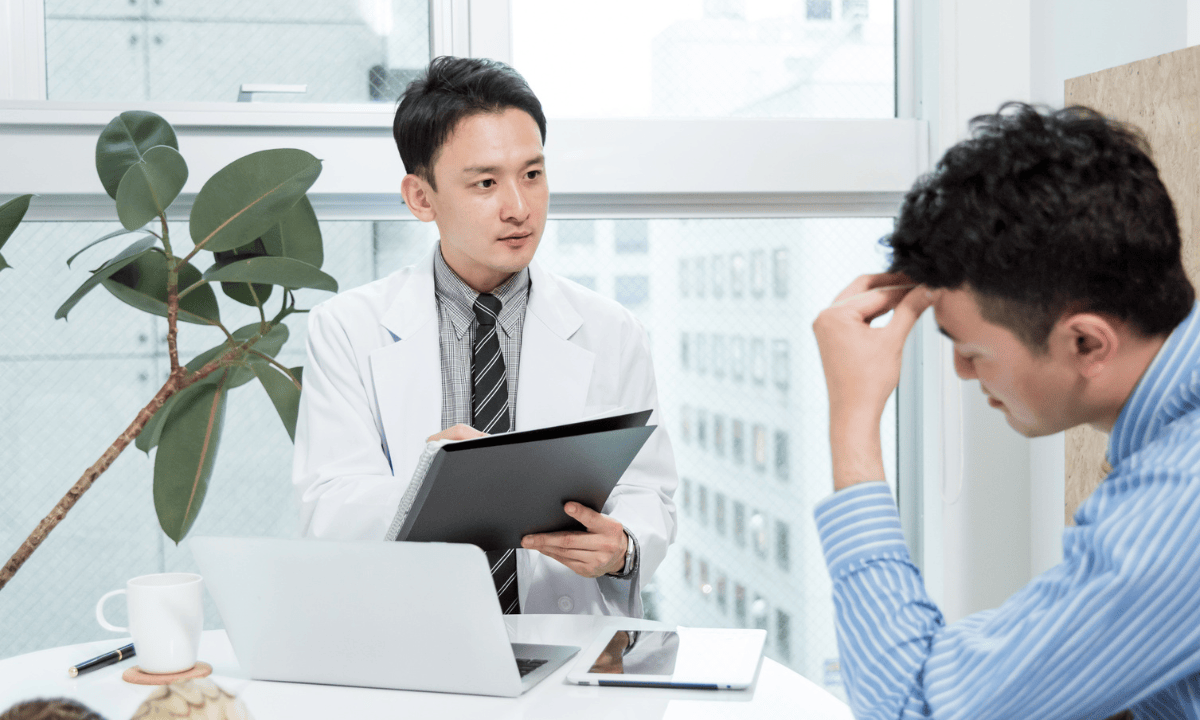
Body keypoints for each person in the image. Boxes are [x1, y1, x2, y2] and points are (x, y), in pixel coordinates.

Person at [811, 102, 1200, 719]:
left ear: (1086, 343)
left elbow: (913, 709)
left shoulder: (1182, 499)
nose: (963, 372)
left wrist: (852, 420)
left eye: (971, 351)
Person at [291, 56, 677, 618]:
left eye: (532, 174)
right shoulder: (347, 329)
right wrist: (438, 481)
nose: (519, 208)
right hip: (415, 633)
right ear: (421, 197)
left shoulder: (612, 330)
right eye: (486, 183)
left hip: (564, 638)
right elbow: (328, 508)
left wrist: (622, 548)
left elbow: (648, 493)